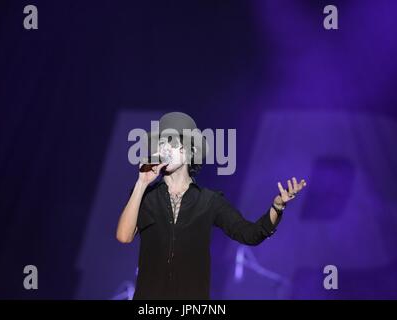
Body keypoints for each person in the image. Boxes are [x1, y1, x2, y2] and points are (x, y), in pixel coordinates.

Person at [116, 112, 307, 299]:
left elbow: (250, 234)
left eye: (172, 142)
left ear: (188, 151)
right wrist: (141, 183)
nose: (165, 149)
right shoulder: (146, 195)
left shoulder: (209, 201)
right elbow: (124, 236)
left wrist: (277, 208)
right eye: (161, 143)